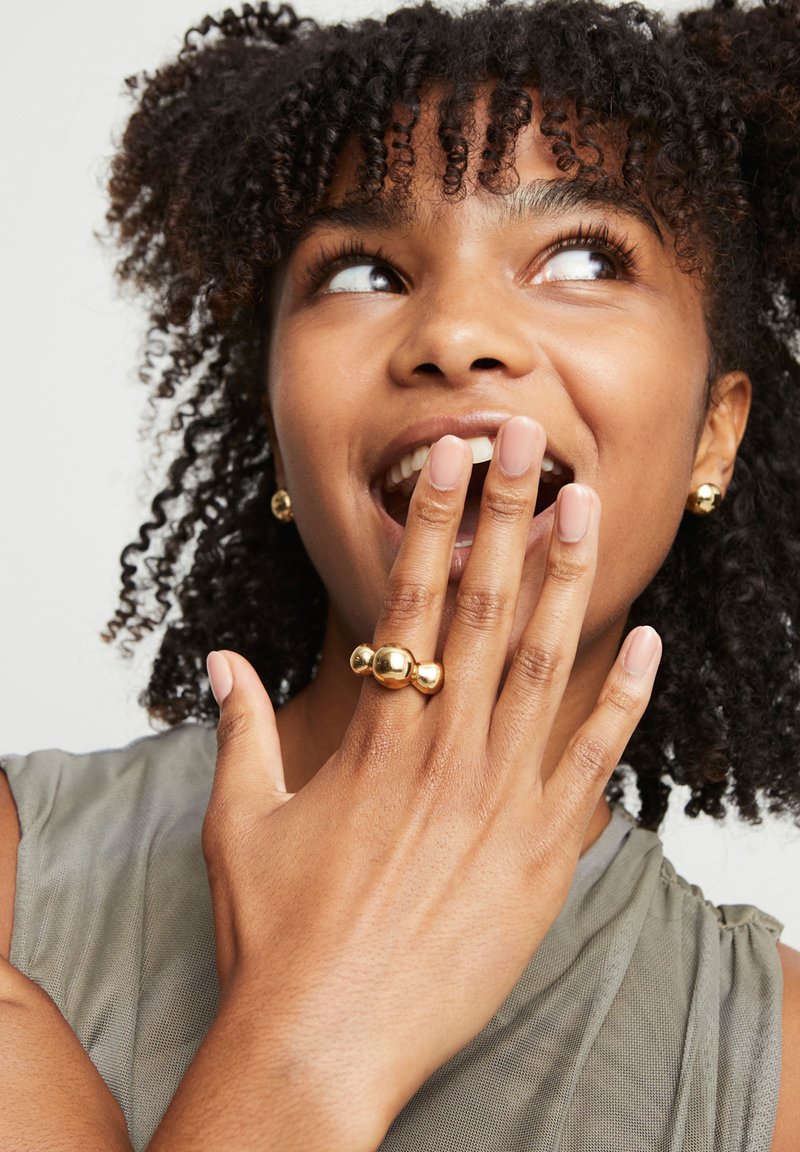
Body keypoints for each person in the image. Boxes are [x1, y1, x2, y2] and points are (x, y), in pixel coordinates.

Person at [1, 0, 799, 1147]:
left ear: (711, 440)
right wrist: (314, 1031)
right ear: (275, 427)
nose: (456, 330)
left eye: (580, 256)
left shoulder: (769, 1075)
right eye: (363, 269)